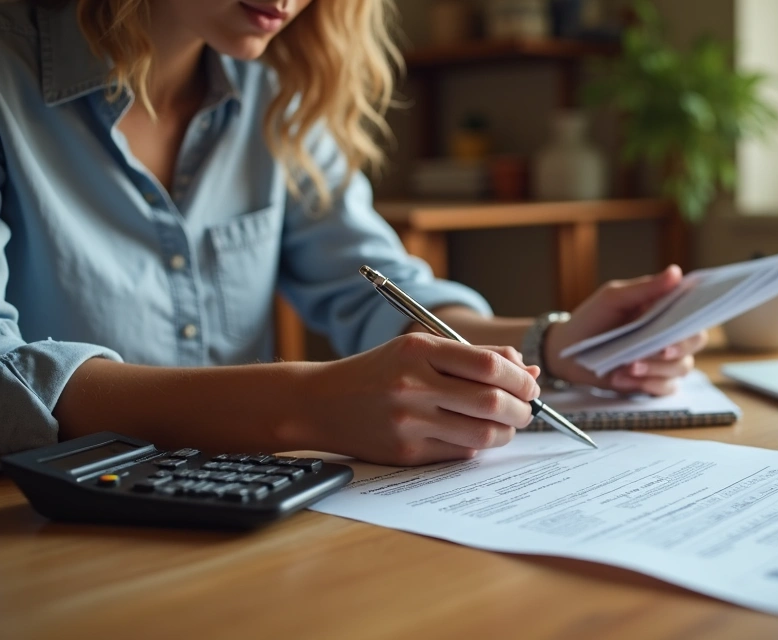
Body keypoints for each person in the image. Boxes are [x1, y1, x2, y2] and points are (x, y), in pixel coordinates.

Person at [0, 0, 707, 465]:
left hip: (231, 522)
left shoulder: (274, 95)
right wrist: (304, 408)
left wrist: (553, 343)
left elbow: (378, 292)